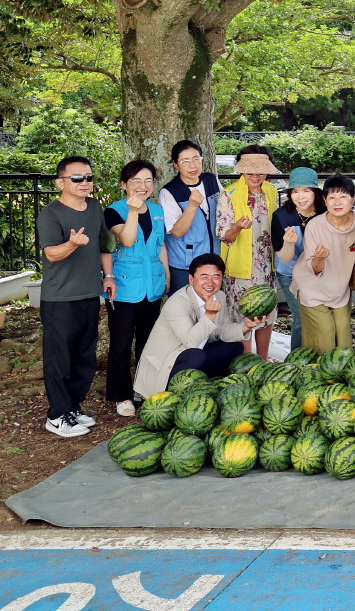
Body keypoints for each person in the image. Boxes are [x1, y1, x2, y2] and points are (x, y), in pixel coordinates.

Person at [38, 156, 109, 437]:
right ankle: (56, 415)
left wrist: (109, 277)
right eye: (77, 178)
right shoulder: (51, 214)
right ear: (60, 182)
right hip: (59, 299)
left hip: (90, 293)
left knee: (84, 356)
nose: (84, 183)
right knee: (59, 359)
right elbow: (51, 254)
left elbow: (105, 243)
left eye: (88, 177)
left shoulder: (94, 206)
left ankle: (72, 408)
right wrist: (71, 243)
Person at [132, 253, 262, 398]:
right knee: (196, 355)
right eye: (204, 277)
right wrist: (210, 314)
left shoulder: (219, 296)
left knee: (234, 347)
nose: (210, 282)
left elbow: (222, 329)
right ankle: (173, 395)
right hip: (165, 365)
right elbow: (190, 342)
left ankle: (207, 386)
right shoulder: (177, 303)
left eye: (216, 277)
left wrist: (246, 326)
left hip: (192, 356)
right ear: (191, 279)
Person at [103, 160, 169, 416]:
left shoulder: (157, 210)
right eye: (136, 181)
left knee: (148, 340)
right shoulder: (113, 211)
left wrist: (165, 273)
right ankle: (121, 395)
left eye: (148, 181)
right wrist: (133, 211)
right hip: (123, 285)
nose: (143, 187)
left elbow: (160, 244)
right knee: (121, 342)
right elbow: (127, 240)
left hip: (152, 284)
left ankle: (143, 388)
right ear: (124, 184)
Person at [216, 145, 279, 359]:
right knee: (243, 315)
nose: (255, 174)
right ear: (241, 169)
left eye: (260, 169)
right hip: (241, 266)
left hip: (266, 264)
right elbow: (224, 235)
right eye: (249, 169)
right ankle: (245, 363)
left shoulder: (271, 191)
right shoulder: (229, 194)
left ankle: (262, 360)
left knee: (266, 312)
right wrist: (237, 227)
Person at [291, 174, 355, 352]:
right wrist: (319, 258)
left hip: (339, 290)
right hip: (312, 288)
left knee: (343, 339)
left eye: (343, 196)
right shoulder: (315, 226)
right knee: (325, 337)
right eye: (332, 197)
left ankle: (343, 378)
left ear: (352, 199)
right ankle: (318, 377)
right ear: (325, 200)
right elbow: (314, 268)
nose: (337, 202)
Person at [270, 167, 322, 353]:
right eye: (295, 191)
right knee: (301, 318)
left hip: (319, 272)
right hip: (290, 274)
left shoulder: (325, 212)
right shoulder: (282, 216)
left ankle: (319, 355)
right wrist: (289, 243)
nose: (300, 196)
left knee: (320, 316)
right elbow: (284, 257)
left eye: (306, 190)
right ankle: (297, 359)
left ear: (315, 192)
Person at [161, 139, 221, 294]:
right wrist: (192, 206)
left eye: (196, 159)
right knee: (185, 307)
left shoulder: (211, 180)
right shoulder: (170, 191)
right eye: (185, 161)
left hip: (214, 261)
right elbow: (177, 232)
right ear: (176, 164)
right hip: (185, 265)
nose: (192, 166)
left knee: (210, 306)